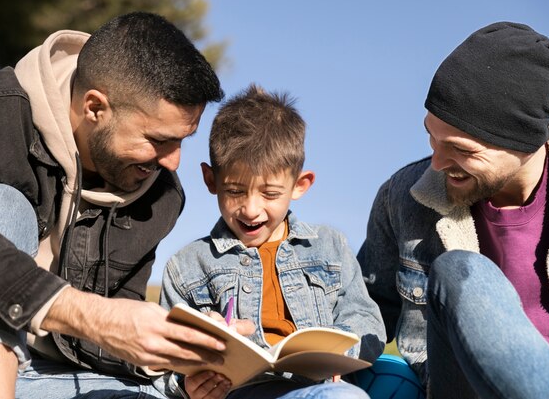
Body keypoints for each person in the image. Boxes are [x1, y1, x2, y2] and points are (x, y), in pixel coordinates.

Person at [0, 11, 256, 399]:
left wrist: (174, 345)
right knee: (5, 206)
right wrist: (91, 315)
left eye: (183, 140)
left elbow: (110, 331)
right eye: (159, 139)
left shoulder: (161, 195)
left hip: (49, 379)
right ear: (95, 107)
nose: (174, 162)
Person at [357, 21, 549, 398]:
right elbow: (365, 312)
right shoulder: (402, 197)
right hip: (455, 387)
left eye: (462, 149)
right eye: (432, 136)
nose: (438, 163)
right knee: (459, 270)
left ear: (523, 142)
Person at [158, 85, 386, 398]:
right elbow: (164, 367)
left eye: (270, 194)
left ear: (300, 185)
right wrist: (186, 386)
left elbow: (365, 320)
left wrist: (340, 351)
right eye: (235, 191)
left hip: (318, 389)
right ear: (211, 180)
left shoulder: (329, 247)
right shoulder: (187, 267)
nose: (251, 210)